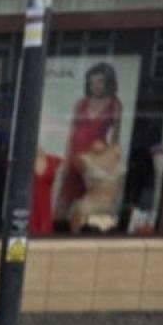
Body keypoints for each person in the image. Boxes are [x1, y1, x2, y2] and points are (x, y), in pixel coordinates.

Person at [57, 63, 123, 232]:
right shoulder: (81, 103)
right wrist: (66, 162)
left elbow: (115, 140)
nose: (95, 86)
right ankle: (57, 233)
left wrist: (110, 167)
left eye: (100, 82)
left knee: (88, 203)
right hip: (76, 155)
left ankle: (78, 236)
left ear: (108, 82)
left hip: (94, 160)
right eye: (92, 82)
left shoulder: (114, 105)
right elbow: (71, 133)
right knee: (64, 201)